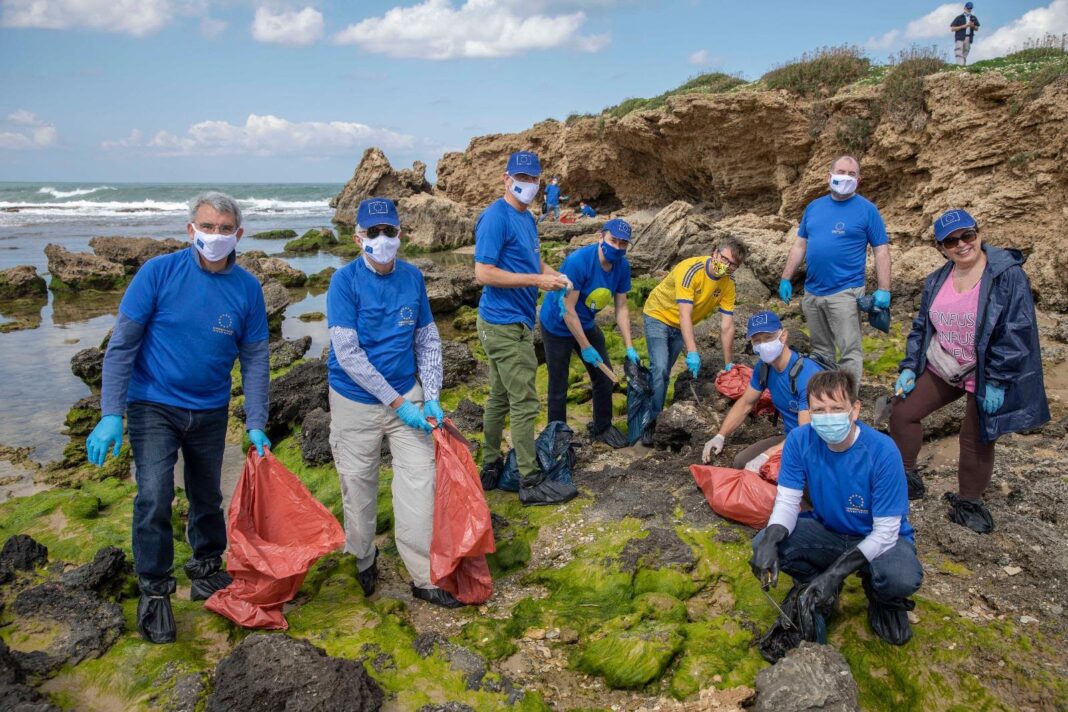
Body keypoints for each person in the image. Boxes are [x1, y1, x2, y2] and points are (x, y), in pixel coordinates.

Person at [85, 191, 271, 644]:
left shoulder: (246, 288)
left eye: (226, 229)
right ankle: (155, 591)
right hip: (153, 404)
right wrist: (111, 414)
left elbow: (257, 357)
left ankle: (205, 568)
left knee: (207, 495)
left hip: (210, 408)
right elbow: (122, 347)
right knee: (153, 496)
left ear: (239, 234)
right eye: (208, 227)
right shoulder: (158, 273)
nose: (216, 235)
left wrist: (256, 419)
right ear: (191, 231)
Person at [326, 197, 461, 609]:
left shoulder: (413, 277)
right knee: (359, 486)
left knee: (422, 481)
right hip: (355, 402)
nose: (382, 239)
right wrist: (397, 402)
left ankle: (423, 576)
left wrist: (432, 396)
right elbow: (348, 355)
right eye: (373, 232)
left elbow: (426, 338)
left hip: (410, 396)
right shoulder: (343, 282)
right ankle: (364, 555)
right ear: (357, 237)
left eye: (389, 231)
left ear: (401, 234)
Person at [889, 209, 1048, 533]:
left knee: (976, 437)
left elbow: (1016, 330)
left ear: (978, 233)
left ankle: (969, 501)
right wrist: (909, 367)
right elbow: (922, 327)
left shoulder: (1006, 274)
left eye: (967, 236)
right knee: (903, 411)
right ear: (941, 248)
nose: (961, 245)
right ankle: (906, 477)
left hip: (988, 371)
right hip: (946, 364)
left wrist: (999, 381)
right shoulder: (937, 280)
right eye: (951, 241)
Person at [750, 370, 922, 646]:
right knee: (763, 543)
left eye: (836, 408)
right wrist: (770, 538)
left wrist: (836, 572)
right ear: (809, 411)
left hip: (880, 538)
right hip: (829, 530)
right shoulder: (799, 440)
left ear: (855, 410)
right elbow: (787, 502)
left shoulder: (883, 451)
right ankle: (816, 586)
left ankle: (882, 599)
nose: (827, 417)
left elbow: (886, 532)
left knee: (899, 577)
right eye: (819, 410)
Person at [474, 151, 573, 505]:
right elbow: (483, 272)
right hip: (500, 324)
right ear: (506, 178)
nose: (528, 184)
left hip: (515, 321)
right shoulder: (495, 218)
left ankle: (488, 466)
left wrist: (552, 274)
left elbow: (532, 260)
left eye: (533, 179)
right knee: (525, 400)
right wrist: (535, 280)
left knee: (500, 396)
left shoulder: (528, 219)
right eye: (522, 177)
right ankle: (529, 481)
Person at [779, 155, 890, 387]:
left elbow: (881, 250)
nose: (845, 177)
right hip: (812, 292)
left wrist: (884, 289)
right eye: (841, 172)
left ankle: (848, 404)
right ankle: (826, 399)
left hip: (846, 292)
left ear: (859, 180)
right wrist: (786, 278)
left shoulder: (867, 210)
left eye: (851, 174)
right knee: (821, 350)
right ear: (829, 176)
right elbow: (800, 245)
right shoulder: (813, 207)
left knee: (849, 351)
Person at [540, 218, 636, 448]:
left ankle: (602, 427)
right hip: (558, 324)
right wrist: (585, 347)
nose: (617, 247)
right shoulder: (578, 262)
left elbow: (621, 308)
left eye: (623, 244)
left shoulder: (622, 267)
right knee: (558, 385)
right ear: (600, 236)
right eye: (613, 240)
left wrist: (630, 345)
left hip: (585, 322)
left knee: (604, 377)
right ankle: (558, 437)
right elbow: (568, 310)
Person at [641, 238, 746, 423]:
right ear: (715, 253)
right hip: (658, 315)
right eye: (724, 259)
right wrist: (693, 352)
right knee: (659, 368)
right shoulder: (691, 269)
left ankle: (653, 410)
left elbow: (727, 325)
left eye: (733, 265)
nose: (726, 266)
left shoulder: (728, 284)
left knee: (664, 371)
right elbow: (684, 314)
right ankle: (651, 421)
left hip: (679, 326)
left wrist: (729, 364)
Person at [701, 311, 823, 469]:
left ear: (783, 336)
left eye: (768, 338)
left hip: (814, 440)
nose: (763, 345)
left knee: (778, 471)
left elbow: (805, 431)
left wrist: (768, 454)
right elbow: (746, 403)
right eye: (757, 340)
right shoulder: (763, 367)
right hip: (790, 436)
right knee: (741, 462)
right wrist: (720, 435)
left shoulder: (807, 373)